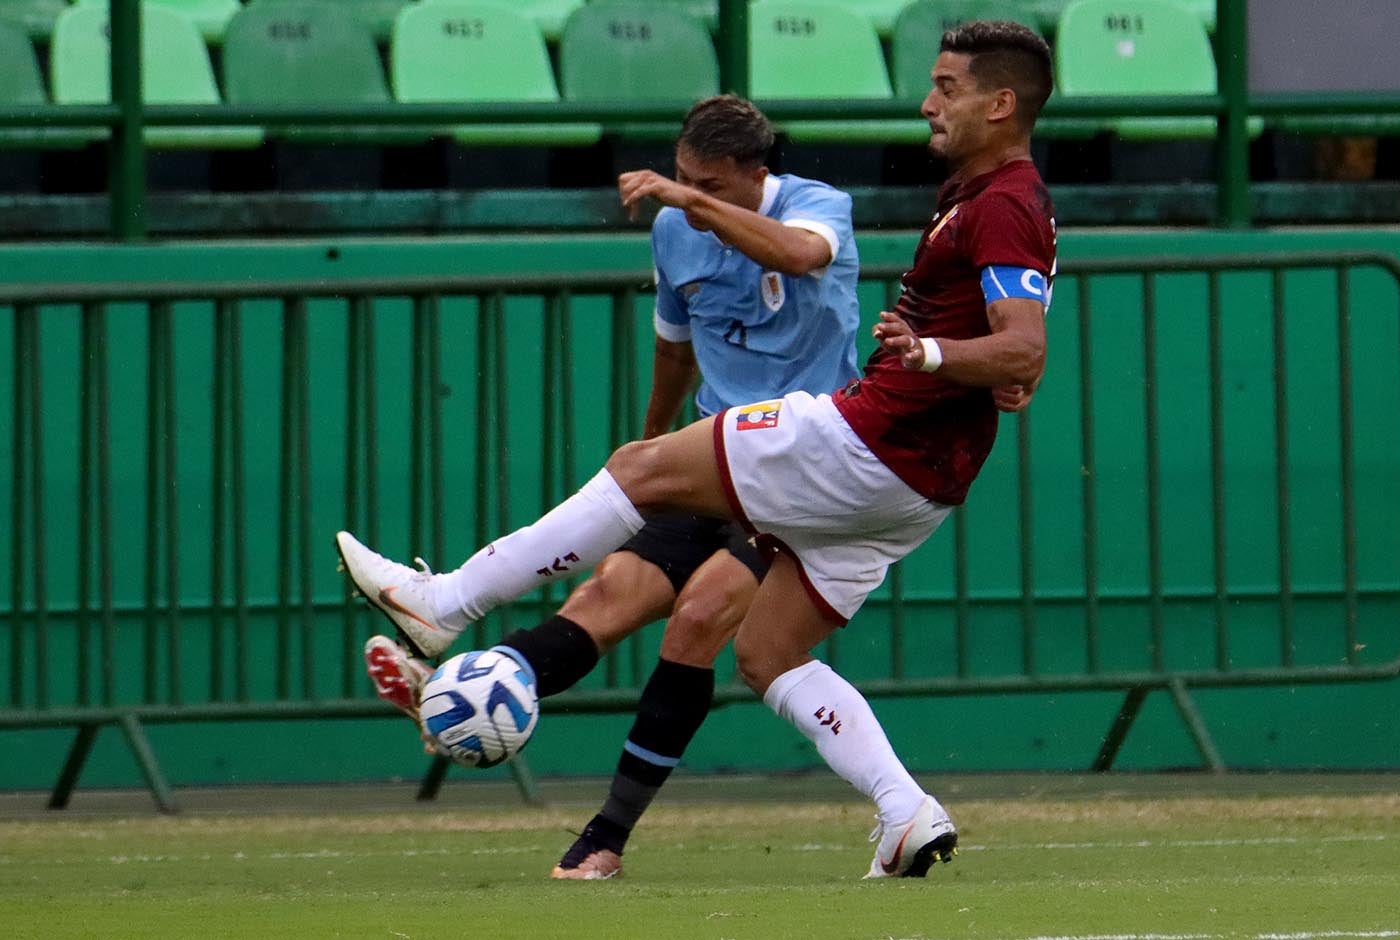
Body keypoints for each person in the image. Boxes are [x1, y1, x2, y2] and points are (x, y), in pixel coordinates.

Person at [339, 19, 1056, 880]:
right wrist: (980, 368)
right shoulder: (979, 196)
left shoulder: (992, 201)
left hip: (858, 440)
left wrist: (939, 356)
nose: (926, 102)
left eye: (946, 87)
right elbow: (1009, 347)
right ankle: (905, 810)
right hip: (918, 484)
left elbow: (1020, 344)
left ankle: (444, 605)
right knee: (764, 651)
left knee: (643, 489)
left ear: (1001, 102)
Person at [357, 94, 863, 880]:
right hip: (708, 456)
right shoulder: (675, 228)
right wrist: (653, 437)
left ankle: (605, 836)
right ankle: (456, 694)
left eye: (712, 185)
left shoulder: (815, 205)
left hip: (801, 472)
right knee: (602, 599)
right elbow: (674, 345)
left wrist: (682, 197)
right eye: (684, 176)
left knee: (695, 620)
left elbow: (799, 256)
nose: (692, 196)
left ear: (756, 175)